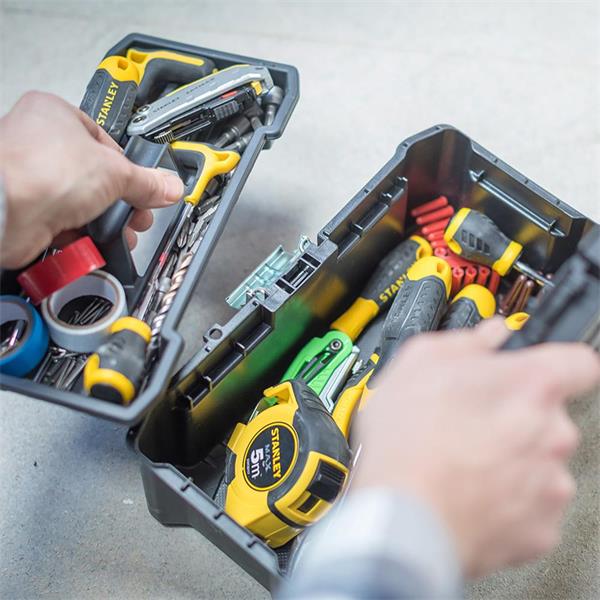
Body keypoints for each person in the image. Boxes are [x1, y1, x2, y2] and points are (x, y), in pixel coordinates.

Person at [1, 93, 599, 599]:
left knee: (399, 328)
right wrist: (406, 525)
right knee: (409, 329)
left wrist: (15, 188)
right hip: (346, 400)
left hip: (341, 386)